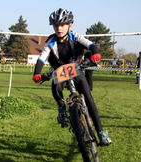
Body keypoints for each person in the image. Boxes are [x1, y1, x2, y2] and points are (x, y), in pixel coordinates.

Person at [32, 8, 112, 146]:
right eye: (56, 25)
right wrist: (37, 73)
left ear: (70, 25)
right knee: (56, 88)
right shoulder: (51, 41)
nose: (59, 28)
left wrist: (96, 53)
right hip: (59, 72)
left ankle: (101, 133)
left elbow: (91, 45)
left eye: (62, 25)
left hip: (75, 70)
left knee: (88, 97)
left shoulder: (75, 35)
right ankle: (62, 107)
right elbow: (41, 58)